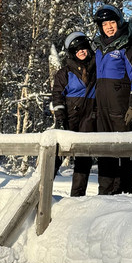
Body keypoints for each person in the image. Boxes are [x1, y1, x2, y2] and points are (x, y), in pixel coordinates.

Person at [92, 4, 132, 194]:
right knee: (104, 151)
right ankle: (105, 193)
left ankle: (123, 194)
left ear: (119, 22)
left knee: (124, 151)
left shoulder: (128, 45)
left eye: (111, 22)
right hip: (102, 109)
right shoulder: (99, 46)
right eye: (104, 24)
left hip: (122, 108)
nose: (108, 26)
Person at [50, 31, 96, 197]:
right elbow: (57, 95)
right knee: (58, 155)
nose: (82, 52)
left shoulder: (95, 68)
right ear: (72, 53)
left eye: (84, 48)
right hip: (69, 117)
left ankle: (77, 197)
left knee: (83, 159)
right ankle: (42, 189)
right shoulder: (64, 73)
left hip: (89, 118)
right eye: (78, 50)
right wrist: (60, 115)